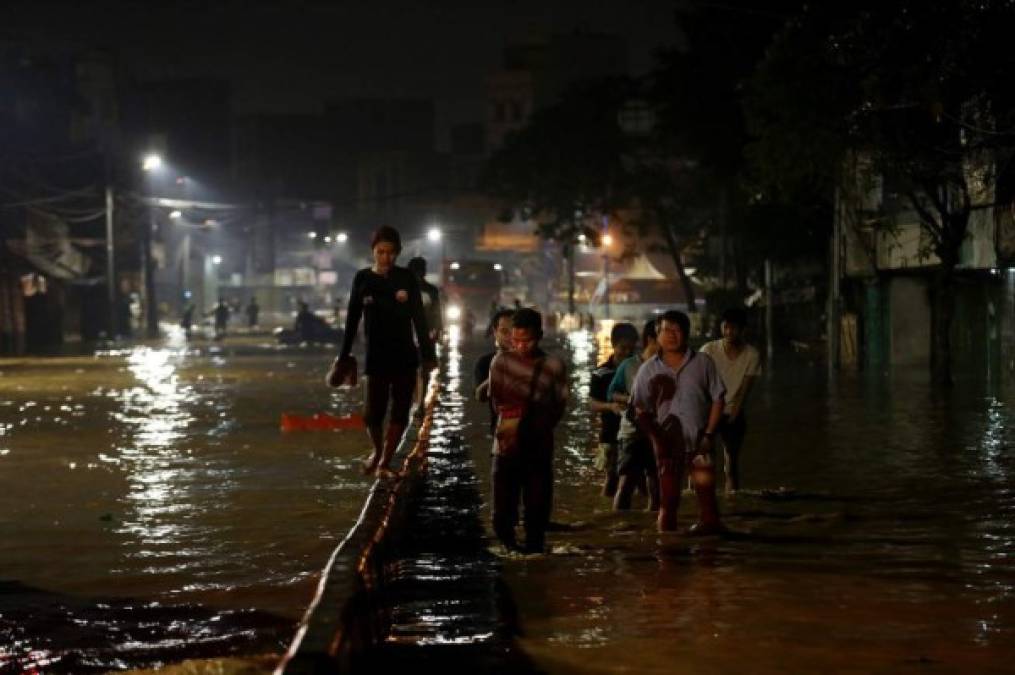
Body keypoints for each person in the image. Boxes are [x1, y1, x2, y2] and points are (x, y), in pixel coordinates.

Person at [331, 226, 436, 477]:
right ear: (373, 252)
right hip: (376, 355)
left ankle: (385, 462)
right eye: (380, 252)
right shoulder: (363, 279)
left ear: (398, 253)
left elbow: (419, 319)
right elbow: (352, 319)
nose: (385, 257)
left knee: (400, 409)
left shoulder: (406, 278)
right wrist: (344, 355)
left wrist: (428, 356)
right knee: (371, 414)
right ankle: (378, 450)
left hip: (405, 355)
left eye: (390, 253)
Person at [631, 310, 725, 534]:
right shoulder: (647, 370)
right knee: (668, 502)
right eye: (666, 330)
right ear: (657, 334)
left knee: (708, 504)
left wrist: (709, 435)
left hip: (700, 441)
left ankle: (709, 558)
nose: (672, 335)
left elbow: (718, 399)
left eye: (677, 330)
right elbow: (639, 409)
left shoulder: (703, 363)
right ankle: (667, 556)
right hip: (667, 445)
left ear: (686, 333)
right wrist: (657, 441)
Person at [488, 308, 568, 553]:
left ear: (540, 335)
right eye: (516, 340)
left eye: (528, 340)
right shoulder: (500, 362)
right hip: (505, 445)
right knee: (502, 512)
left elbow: (560, 404)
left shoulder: (554, 366)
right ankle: (510, 551)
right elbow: (495, 400)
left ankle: (533, 553)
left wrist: (538, 424)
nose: (521, 346)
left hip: (539, 445)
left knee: (537, 508)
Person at [700, 307, 762, 494]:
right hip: (709, 410)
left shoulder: (752, 355)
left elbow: (745, 390)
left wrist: (734, 414)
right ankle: (701, 500)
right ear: (721, 327)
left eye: (733, 328)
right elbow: (700, 384)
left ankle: (732, 501)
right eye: (725, 327)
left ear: (743, 330)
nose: (729, 332)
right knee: (704, 460)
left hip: (733, 411)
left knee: (732, 463)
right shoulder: (709, 350)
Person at [608, 319, 660, 511]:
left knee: (656, 484)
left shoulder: (665, 366)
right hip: (632, 433)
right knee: (626, 482)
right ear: (652, 339)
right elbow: (611, 393)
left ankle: (651, 532)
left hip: (656, 432)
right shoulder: (629, 365)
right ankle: (619, 529)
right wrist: (630, 399)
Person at [588, 322, 638, 498]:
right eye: (623, 348)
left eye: (631, 349)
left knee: (637, 478)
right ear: (613, 345)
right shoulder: (601, 373)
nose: (627, 353)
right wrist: (610, 406)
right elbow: (593, 404)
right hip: (610, 433)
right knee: (611, 477)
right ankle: (607, 512)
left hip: (634, 432)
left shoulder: (638, 370)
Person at [475, 308, 515, 435]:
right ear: (495, 332)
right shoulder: (485, 362)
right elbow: (479, 396)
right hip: (500, 432)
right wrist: (496, 373)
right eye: (504, 331)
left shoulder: (535, 360)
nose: (511, 337)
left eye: (515, 331)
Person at [407, 257, 443, 343]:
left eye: (421, 270)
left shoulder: (431, 290)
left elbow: (436, 312)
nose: (419, 274)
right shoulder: (404, 288)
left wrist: (438, 329)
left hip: (426, 330)